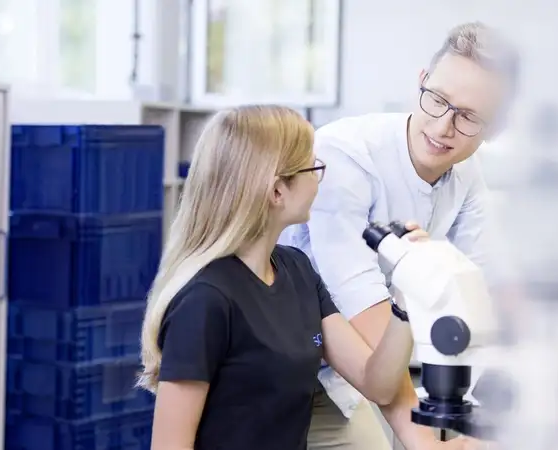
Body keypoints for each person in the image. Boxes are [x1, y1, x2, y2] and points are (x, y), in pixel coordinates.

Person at [279, 21, 520, 450]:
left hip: (345, 381)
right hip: (279, 368)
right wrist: (426, 442)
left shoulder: (465, 172)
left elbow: (486, 291)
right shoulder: (344, 157)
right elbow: (371, 333)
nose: (444, 126)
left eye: (468, 116)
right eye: (439, 100)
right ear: (422, 82)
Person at [136, 105, 430, 450]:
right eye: (313, 168)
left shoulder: (297, 270)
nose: (320, 179)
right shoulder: (205, 300)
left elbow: (376, 383)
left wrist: (404, 300)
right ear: (277, 191)